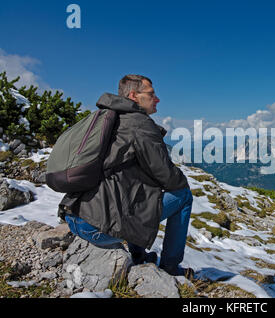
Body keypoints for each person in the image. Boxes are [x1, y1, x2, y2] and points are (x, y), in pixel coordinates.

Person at [61, 74, 193, 277]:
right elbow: (167, 176)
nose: (157, 99)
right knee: (183, 196)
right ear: (133, 95)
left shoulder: (110, 119)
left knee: (133, 193)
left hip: (75, 216)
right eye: (151, 94)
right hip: (97, 227)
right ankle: (171, 268)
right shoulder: (139, 123)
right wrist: (176, 182)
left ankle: (139, 257)